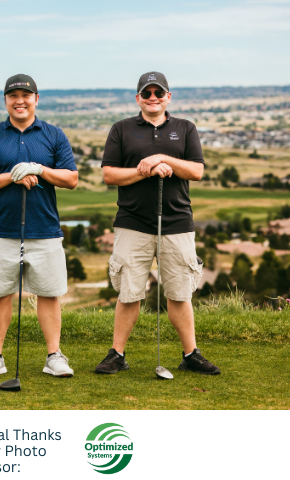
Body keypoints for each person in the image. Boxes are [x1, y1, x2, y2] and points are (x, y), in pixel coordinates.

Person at [96, 71, 220, 375]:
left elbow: (196, 171)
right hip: (132, 222)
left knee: (179, 292)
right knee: (129, 291)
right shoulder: (122, 129)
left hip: (177, 222)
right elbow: (109, 174)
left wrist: (163, 157)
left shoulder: (185, 128)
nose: (153, 98)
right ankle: (117, 354)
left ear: (168, 97)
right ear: (138, 98)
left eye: (158, 93)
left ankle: (190, 354)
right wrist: (148, 169)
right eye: (147, 93)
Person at [0, 74, 79, 378]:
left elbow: (71, 178)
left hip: (44, 228)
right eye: (13, 95)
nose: (20, 101)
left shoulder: (54, 135)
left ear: (36, 99)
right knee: (0, 293)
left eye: (26, 95)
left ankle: (54, 355)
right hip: (1, 228)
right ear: (5, 100)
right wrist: (13, 176)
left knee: (49, 292)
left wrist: (40, 169)